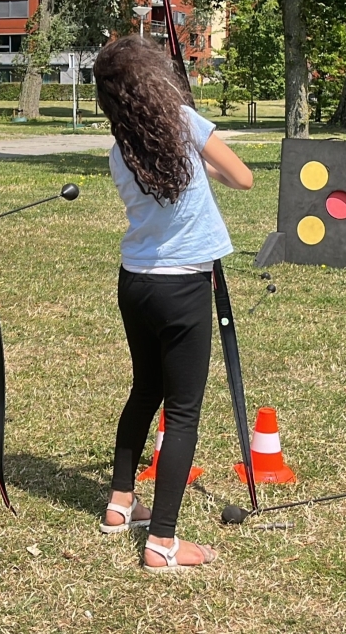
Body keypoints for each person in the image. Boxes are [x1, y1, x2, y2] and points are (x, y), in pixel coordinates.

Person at [92, 35, 253, 572]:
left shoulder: (121, 150)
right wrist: (203, 143)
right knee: (182, 411)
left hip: (135, 283)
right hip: (181, 287)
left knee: (146, 390)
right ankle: (162, 542)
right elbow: (243, 177)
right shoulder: (184, 123)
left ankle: (120, 504)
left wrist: (197, 162)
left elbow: (170, 184)